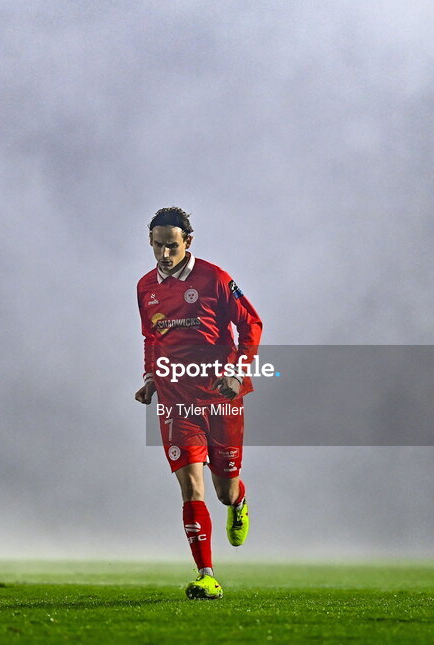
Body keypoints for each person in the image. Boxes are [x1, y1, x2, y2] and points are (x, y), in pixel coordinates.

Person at [134, 206, 263, 599]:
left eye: (171, 246)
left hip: (220, 397)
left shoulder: (215, 278)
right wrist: (151, 378)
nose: (164, 254)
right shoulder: (145, 287)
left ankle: (238, 502)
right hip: (176, 399)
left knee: (223, 490)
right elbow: (152, 338)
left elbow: (251, 324)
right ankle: (207, 574)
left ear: (188, 242)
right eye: (157, 246)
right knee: (192, 486)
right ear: (150, 243)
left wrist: (237, 372)